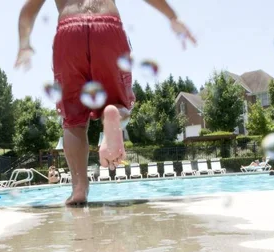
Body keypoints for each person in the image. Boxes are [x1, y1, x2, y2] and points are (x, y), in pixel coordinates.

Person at [15, 0, 196, 205]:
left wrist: (24, 43)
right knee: (121, 103)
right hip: (107, 26)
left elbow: (29, 9)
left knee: (73, 121)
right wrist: (172, 16)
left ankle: (79, 188)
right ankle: (114, 112)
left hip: (68, 30)